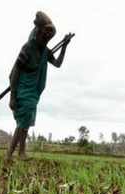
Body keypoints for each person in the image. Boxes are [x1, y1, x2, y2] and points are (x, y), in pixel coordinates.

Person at [6, 11, 74, 161]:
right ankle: (9, 154)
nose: (46, 38)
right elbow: (15, 73)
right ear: (37, 33)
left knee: (26, 123)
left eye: (48, 37)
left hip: (33, 92)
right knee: (23, 123)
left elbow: (57, 64)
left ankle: (21, 152)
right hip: (22, 90)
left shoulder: (45, 51)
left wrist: (64, 46)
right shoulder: (27, 48)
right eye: (44, 35)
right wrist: (12, 96)